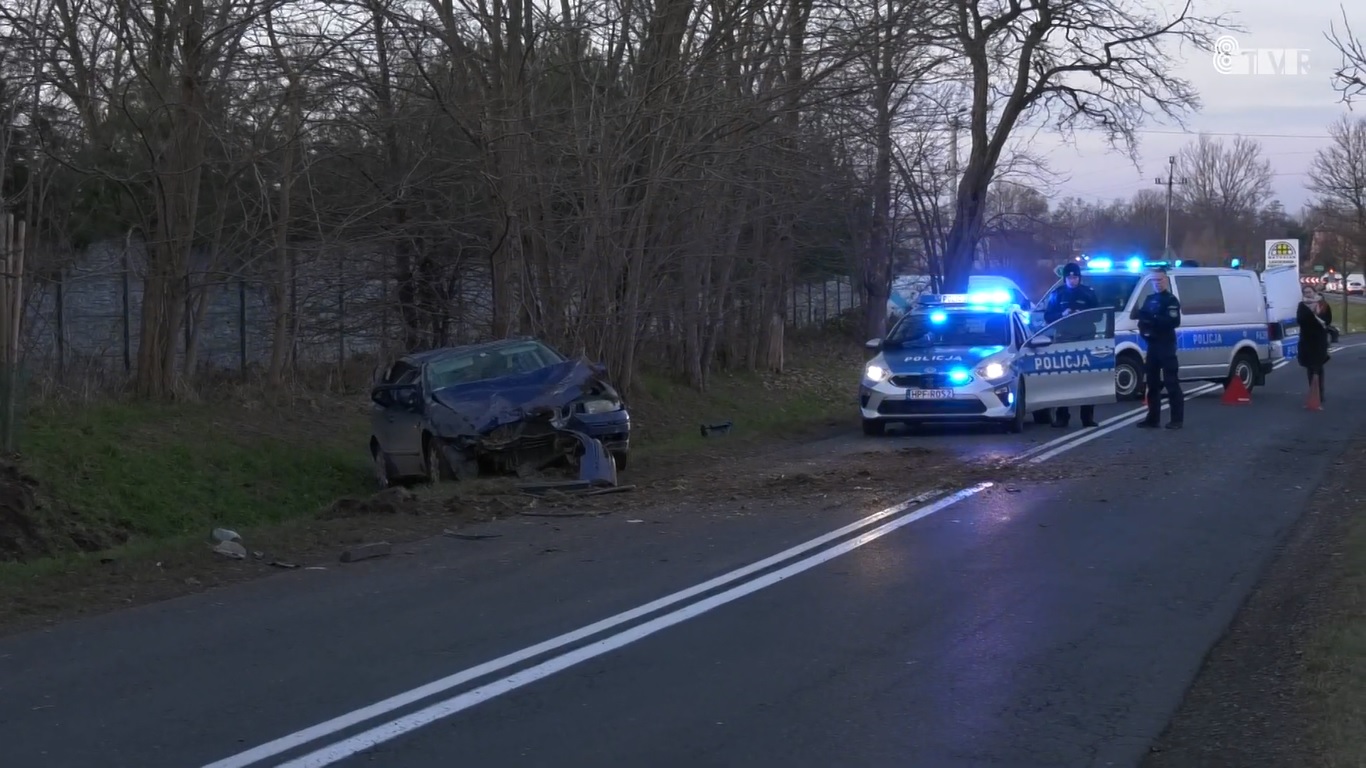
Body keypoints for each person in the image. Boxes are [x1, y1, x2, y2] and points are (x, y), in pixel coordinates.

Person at [1043, 262, 1101, 428]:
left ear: (1079, 277)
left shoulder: (1088, 293)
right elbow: (1048, 316)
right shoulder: (1058, 295)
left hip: (1085, 339)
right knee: (1064, 378)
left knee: (1087, 379)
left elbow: (1098, 316)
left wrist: (1082, 315)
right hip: (1064, 340)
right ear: (1065, 278)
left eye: (1075, 277)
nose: (1072, 280)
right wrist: (1062, 314)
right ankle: (1062, 416)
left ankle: (1087, 417)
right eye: (1069, 277)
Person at [1135, 268, 1184, 430]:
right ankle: (1153, 418)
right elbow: (1142, 320)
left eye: (1160, 280)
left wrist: (1154, 319)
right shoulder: (1149, 300)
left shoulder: (1171, 300)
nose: (1157, 283)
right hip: (1153, 345)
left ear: (1166, 281)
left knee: (1171, 382)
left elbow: (1173, 322)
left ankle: (1176, 419)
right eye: (1155, 281)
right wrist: (1145, 332)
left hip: (1166, 345)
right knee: (1152, 383)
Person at [1297, 287, 1331, 406]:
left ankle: (1320, 393)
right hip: (1306, 340)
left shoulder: (1323, 305)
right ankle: (1313, 390)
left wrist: (1318, 319)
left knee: (1318, 366)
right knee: (1310, 367)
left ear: (1314, 292)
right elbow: (1300, 319)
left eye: (1310, 292)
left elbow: (1327, 320)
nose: (1308, 294)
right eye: (1305, 292)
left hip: (1319, 340)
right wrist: (1312, 315)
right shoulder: (1302, 305)